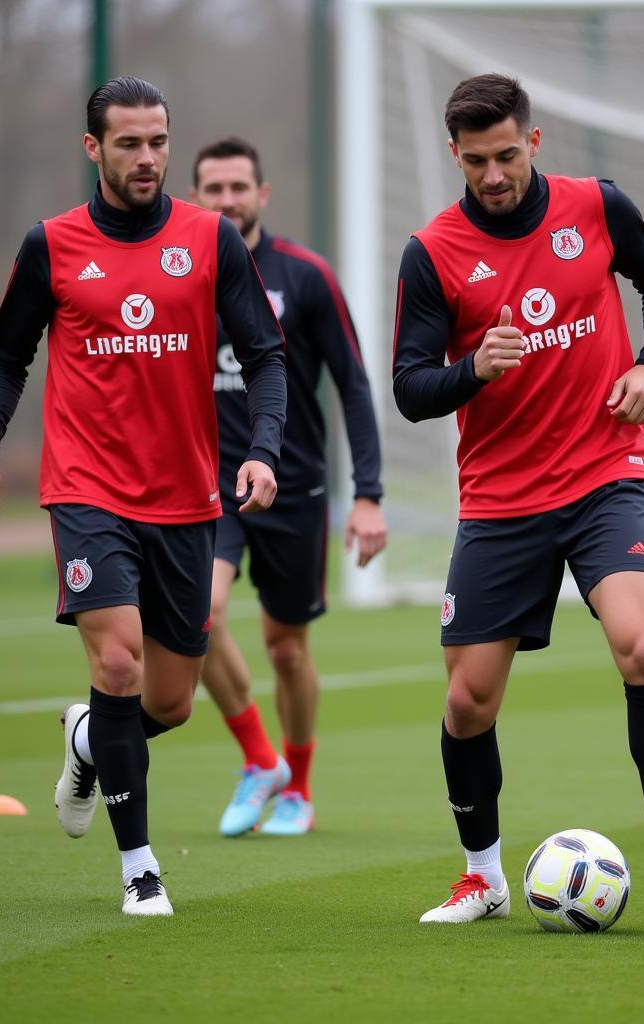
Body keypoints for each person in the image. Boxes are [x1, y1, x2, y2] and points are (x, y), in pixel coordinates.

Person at [393, 73, 644, 926]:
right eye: (477, 162)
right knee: (468, 701)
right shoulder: (432, 251)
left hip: (604, 476)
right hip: (501, 500)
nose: (495, 174)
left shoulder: (596, 206)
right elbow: (408, 387)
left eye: (507, 155)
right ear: (456, 157)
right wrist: (473, 368)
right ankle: (483, 877)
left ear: (534, 142)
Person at [0, 77, 287, 915]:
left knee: (169, 703)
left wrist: (261, 451)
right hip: (88, 490)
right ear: (93, 149)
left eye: (158, 142)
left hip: (187, 498)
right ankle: (140, 866)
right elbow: (6, 356)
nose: (147, 158)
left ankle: (87, 740)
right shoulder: (53, 245)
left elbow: (266, 357)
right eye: (130, 143)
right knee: (116, 661)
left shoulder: (212, 239)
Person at [189, 137, 386, 836]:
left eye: (239, 186)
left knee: (285, 648)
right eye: (213, 189)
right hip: (207, 484)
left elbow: (354, 384)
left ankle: (298, 788)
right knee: (196, 615)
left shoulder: (304, 276)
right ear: (196, 197)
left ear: (262, 193)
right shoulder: (180, 274)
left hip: (293, 486)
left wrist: (368, 493)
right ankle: (259, 758)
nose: (227, 200)